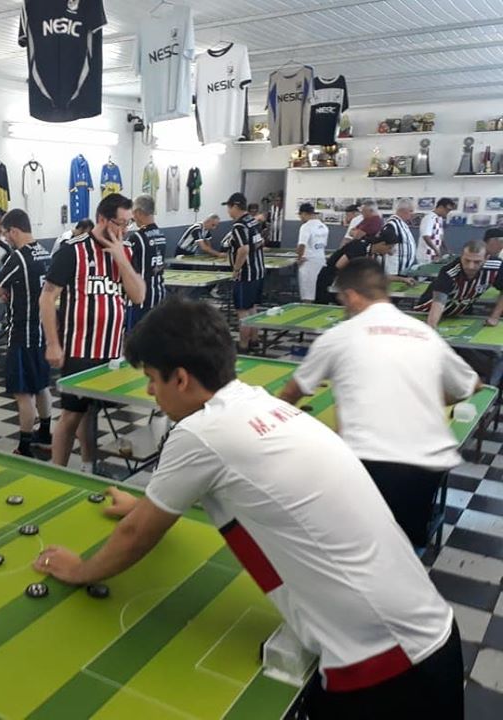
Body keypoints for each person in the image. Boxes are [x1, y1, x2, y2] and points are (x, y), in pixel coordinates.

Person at [35, 296, 463, 720]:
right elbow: (212, 491)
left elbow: (136, 536)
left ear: (180, 378)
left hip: (388, 671)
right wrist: (145, 506)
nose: (149, 391)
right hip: (429, 636)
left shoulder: (203, 431)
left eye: (151, 379)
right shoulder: (261, 404)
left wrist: (79, 570)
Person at [280, 258, 479, 550]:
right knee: (405, 546)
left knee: (357, 546)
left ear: (351, 295)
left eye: (342, 299)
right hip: (427, 460)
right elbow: (470, 384)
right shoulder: (424, 333)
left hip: (370, 460)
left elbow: (290, 394)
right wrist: (428, 400)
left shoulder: (339, 336)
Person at [40, 194, 145, 470]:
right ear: (102, 219)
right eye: (120, 223)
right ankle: (57, 473)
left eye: (128, 224)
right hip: (79, 350)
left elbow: (138, 296)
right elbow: (47, 297)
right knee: (72, 415)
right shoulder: (72, 251)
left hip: (111, 352)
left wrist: (121, 260)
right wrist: (52, 343)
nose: (124, 230)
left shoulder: (127, 250)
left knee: (91, 413)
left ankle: (88, 466)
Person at [0, 209, 53, 457]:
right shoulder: (45, 253)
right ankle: (45, 433)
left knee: (23, 392)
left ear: (14, 231)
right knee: (42, 385)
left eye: (6, 234)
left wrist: (7, 291)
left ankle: (24, 446)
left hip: (23, 333)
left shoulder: (19, 258)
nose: (6, 239)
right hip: (43, 331)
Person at [415, 239, 503, 326]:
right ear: (461, 256)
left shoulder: (496, 267)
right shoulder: (449, 271)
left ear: (486, 258)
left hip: (461, 312)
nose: (471, 266)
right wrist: (431, 326)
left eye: (477, 262)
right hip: (428, 311)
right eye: (467, 260)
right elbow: (438, 302)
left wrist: (495, 317)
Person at [222, 192, 266, 352]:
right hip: (258, 271)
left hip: (245, 274)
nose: (228, 211)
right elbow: (260, 242)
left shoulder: (239, 226)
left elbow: (243, 249)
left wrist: (236, 269)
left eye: (229, 207)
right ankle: (254, 340)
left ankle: (243, 345)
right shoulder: (253, 221)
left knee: (242, 311)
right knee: (252, 308)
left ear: (235, 206)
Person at [125, 194, 167, 329]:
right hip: (159, 294)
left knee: (136, 336)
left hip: (141, 298)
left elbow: (125, 266)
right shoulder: (161, 235)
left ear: (138, 212)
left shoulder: (137, 238)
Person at [372, 199, 417, 280]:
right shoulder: (392, 224)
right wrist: (390, 250)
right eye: (410, 211)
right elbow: (380, 244)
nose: (412, 214)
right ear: (402, 210)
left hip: (402, 269)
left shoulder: (401, 224)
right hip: (393, 270)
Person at [295, 203, 328, 302]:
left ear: (304, 214)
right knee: (318, 291)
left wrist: (299, 258)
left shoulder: (306, 227)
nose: (300, 218)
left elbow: (302, 245)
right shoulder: (323, 226)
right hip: (321, 260)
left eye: (300, 215)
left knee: (307, 294)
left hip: (308, 262)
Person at [416, 198, 456, 265]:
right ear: (441, 207)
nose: (448, 213)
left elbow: (441, 236)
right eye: (447, 210)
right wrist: (436, 250)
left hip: (434, 254)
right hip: (426, 254)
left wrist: (446, 249)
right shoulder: (429, 218)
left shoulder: (439, 219)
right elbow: (426, 236)